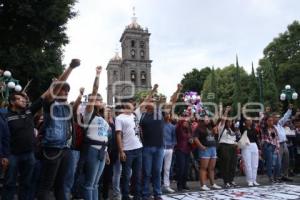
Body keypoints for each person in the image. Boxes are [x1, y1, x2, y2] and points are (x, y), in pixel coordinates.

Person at [37, 58, 80, 200]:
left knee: (61, 185)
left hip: (65, 149)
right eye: (63, 89)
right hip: (52, 149)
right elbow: (53, 91)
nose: (66, 92)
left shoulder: (66, 108)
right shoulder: (50, 104)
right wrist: (70, 68)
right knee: (46, 185)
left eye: (68, 90)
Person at [139, 84, 182, 200]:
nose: (153, 102)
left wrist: (178, 90)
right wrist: (152, 91)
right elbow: (145, 101)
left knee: (157, 172)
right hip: (146, 147)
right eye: (151, 101)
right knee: (147, 172)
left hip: (159, 147)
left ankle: (157, 194)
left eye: (154, 101)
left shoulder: (160, 113)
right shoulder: (141, 115)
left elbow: (172, 102)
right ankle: (145, 194)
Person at [81, 66, 111, 200]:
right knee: (89, 183)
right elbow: (94, 91)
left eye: (101, 99)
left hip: (102, 151)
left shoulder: (103, 119)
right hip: (92, 149)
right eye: (97, 100)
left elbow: (104, 135)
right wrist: (98, 75)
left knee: (96, 183)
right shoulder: (89, 113)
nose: (100, 101)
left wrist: (107, 153)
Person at [116, 100, 143, 200]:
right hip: (127, 151)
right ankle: (125, 196)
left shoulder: (134, 115)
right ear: (127, 106)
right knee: (126, 176)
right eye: (133, 105)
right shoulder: (119, 118)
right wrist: (121, 151)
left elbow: (144, 103)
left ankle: (137, 196)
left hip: (139, 149)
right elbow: (118, 135)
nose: (134, 106)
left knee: (137, 175)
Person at [193, 115, 221, 190]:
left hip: (213, 148)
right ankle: (203, 185)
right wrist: (201, 146)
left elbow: (215, 137)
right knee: (203, 168)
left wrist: (215, 132)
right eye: (206, 118)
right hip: (205, 149)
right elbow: (195, 138)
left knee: (212, 168)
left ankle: (213, 184)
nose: (207, 119)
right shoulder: (199, 128)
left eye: (208, 118)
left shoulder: (211, 127)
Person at [217, 106, 238, 188]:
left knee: (233, 165)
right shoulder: (221, 128)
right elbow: (223, 120)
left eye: (231, 122)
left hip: (233, 147)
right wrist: (226, 111)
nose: (230, 123)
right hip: (224, 147)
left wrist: (237, 144)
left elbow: (234, 139)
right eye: (228, 121)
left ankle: (231, 180)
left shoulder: (232, 130)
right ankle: (226, 181)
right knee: (226, 165)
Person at [239, 113, 260, 186]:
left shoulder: (254, 129)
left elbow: (257, 139)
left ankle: (254, 180)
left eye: (251, 120)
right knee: (248, 164)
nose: (250, 121)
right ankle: (249, 180)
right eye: (248, 120)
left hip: (254, 146)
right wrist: (242, 112)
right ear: (245, 121)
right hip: (246, 146)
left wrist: (259, 148)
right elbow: (241, 122)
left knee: (255, 165)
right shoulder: (243, 128)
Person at [273, 105, 293, 182]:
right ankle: (277, 176)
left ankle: (285, 175)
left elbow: (285, 117)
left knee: (286, 161)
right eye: (276, 117)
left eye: (278, 117)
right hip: (278, 145)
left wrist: (289, 110)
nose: (278, 118)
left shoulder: (280, 124)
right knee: (278, 162)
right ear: (273, 118)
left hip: (284, 144)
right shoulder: (273, 126)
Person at [175, 118, 193, 192]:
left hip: (187, 151)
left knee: (186, 169)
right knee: (181, 169)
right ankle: (179, 185)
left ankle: (184, 184)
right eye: (184, 122)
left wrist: (191, 141)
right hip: (180, 150)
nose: (186, 123)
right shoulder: (179, 129)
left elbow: (190, 138)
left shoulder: (188, 130)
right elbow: (178, 125)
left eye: (187, 123)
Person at [261, 114, 280, 183]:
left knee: (278, 163)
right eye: (269, 120)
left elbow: (277, 138)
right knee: (270, 162)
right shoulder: (264, 129)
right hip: (268, 146)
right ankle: (270, 177)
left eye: (272, 120)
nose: (271, 122)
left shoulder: (274, 129)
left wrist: (277, 147)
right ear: (266, 121)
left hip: (275, 146)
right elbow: (264, 139)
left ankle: (276, 177)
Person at [162, 112, 177, 193]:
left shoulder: (172, 126)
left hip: (169, 149)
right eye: (166, 114)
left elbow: (174, 138)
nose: (167, 116)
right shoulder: (160, 125)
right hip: (161, 149)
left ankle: (166, 185)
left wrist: (172, 147)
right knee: (158, 168)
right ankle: (158, 186)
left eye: (169, 114)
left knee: (167, 168)